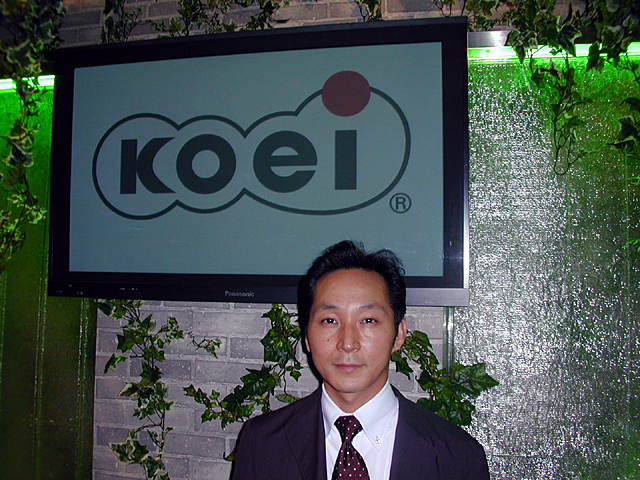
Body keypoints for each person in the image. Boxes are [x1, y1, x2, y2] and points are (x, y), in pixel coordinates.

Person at [231, 240, 490, 480]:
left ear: (399, 335)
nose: (347, 343)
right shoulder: (262, 442)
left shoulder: (458, 456)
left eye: (368, 320)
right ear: (307, 336)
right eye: (329, 320)